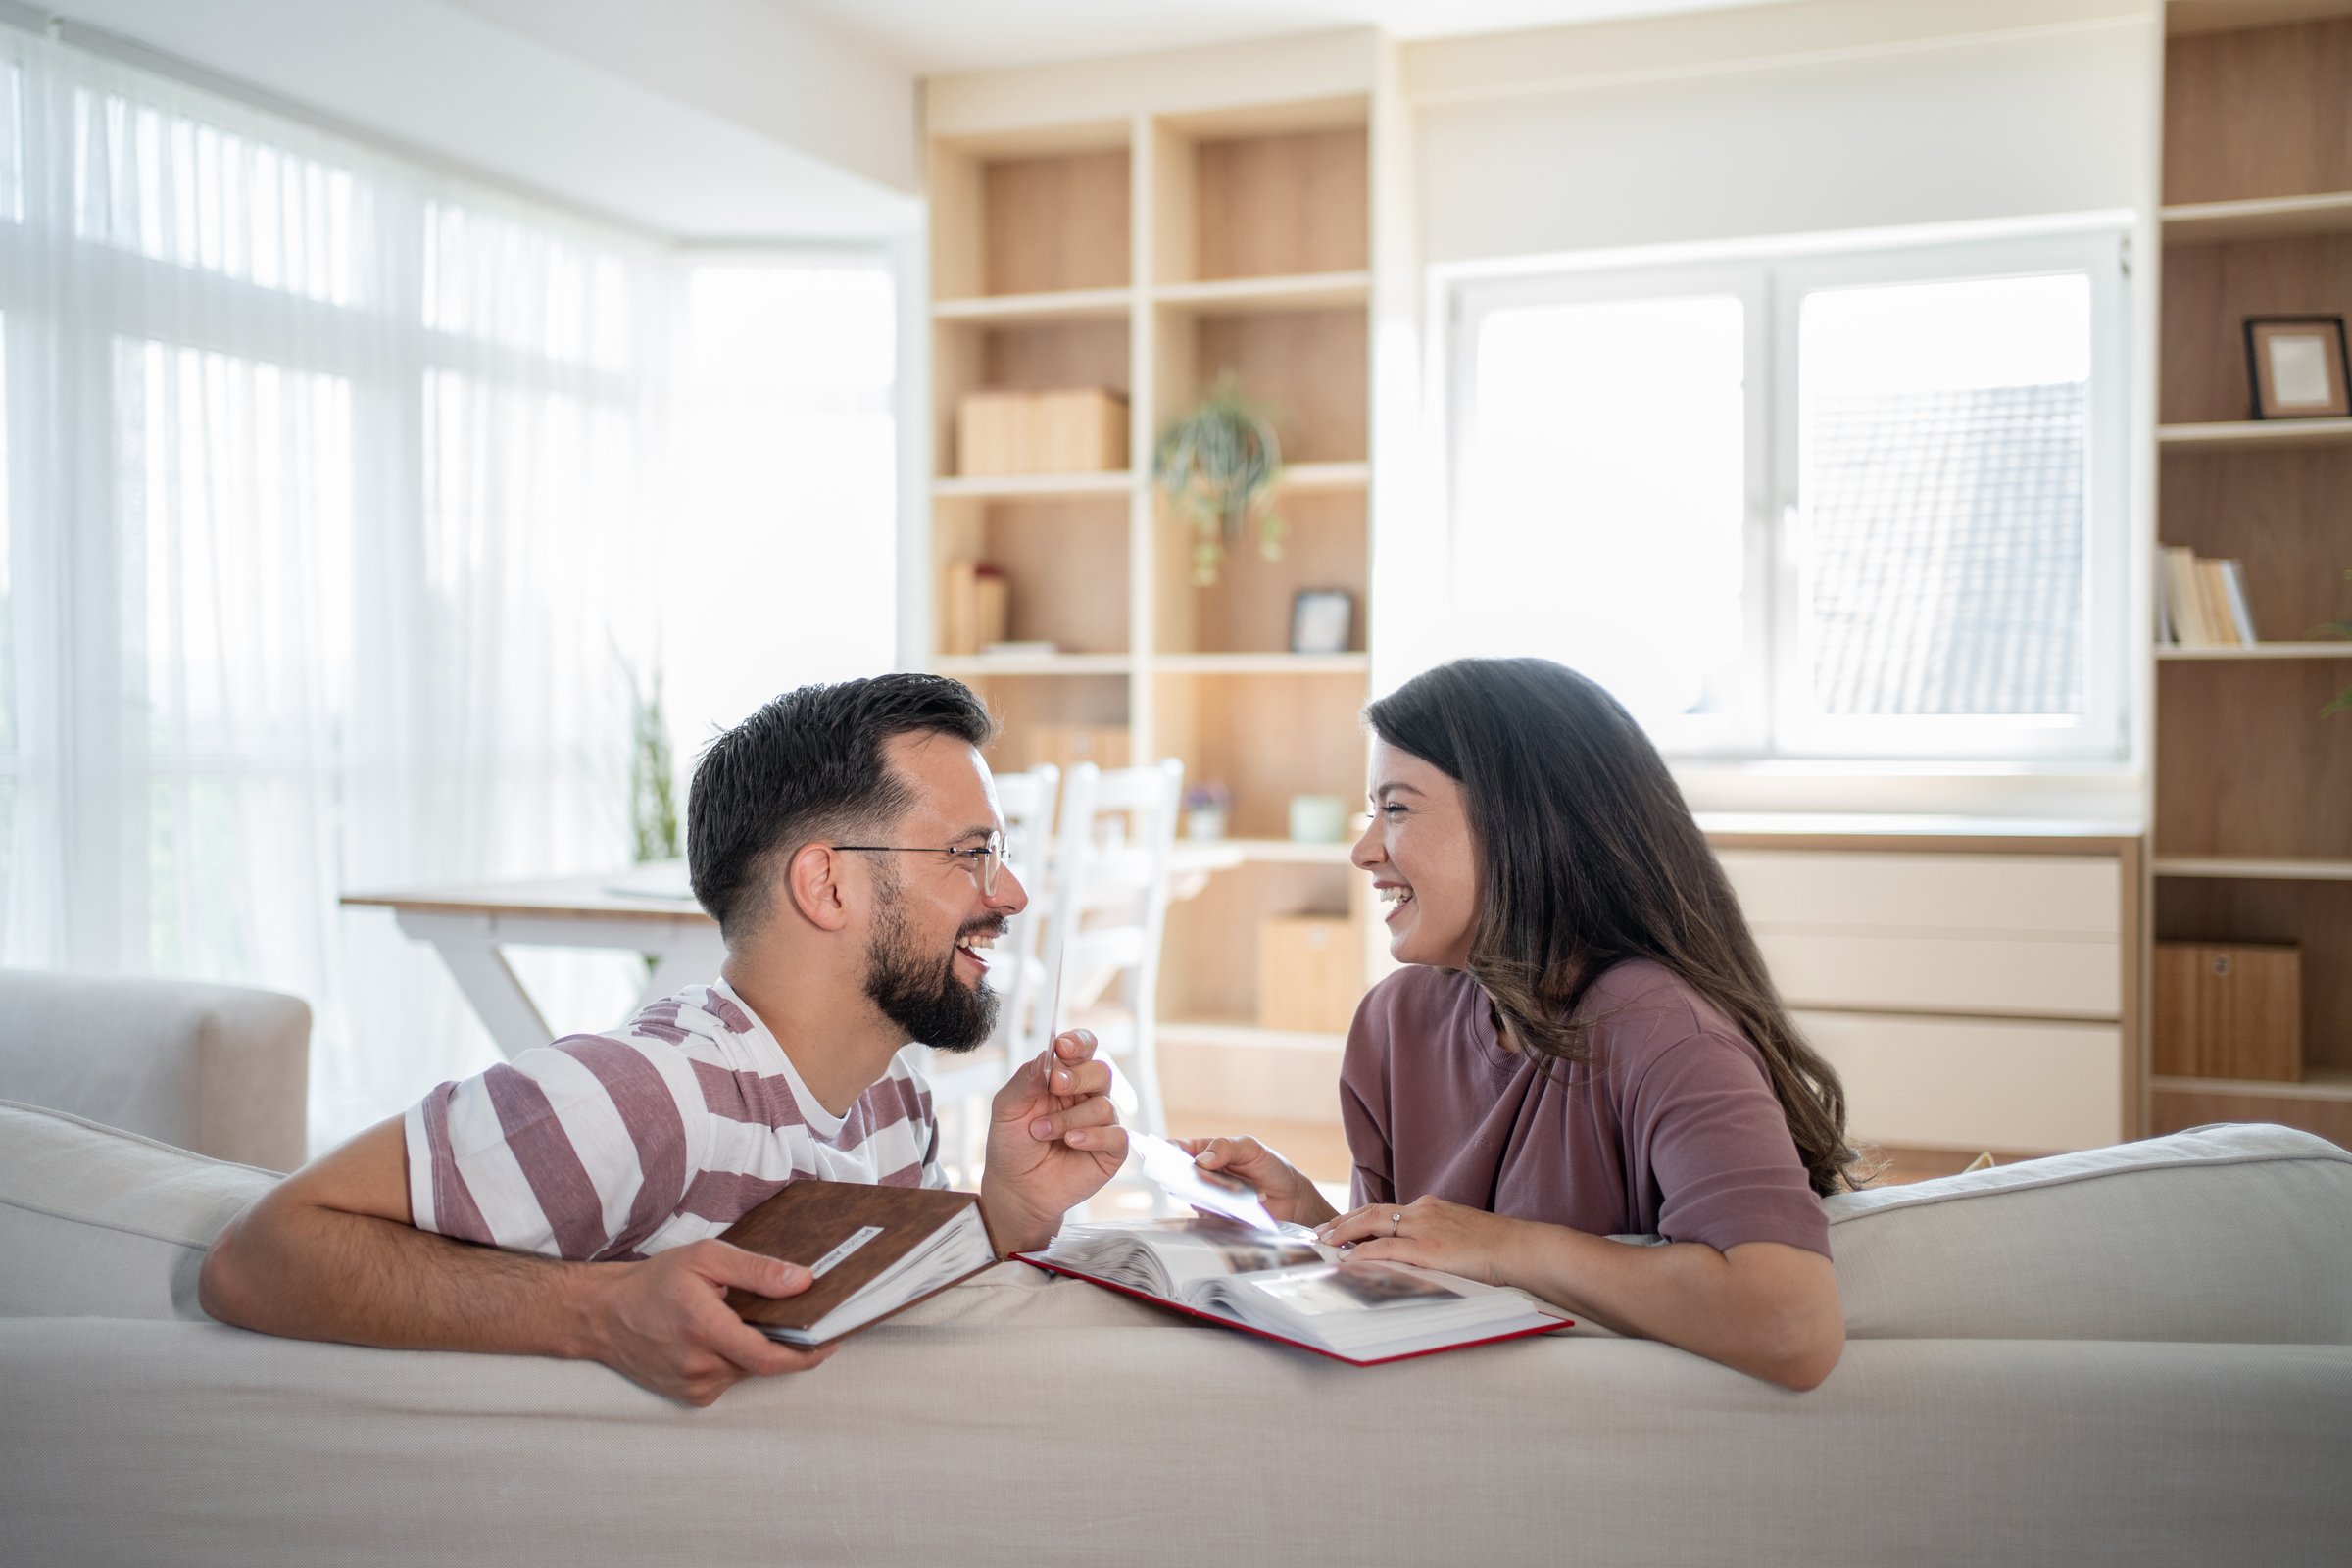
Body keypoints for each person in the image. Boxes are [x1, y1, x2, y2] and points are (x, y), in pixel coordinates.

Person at [200, 674, 1129, 1406]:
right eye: (972, 854)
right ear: (829, 886)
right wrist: (599, 1314)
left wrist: (1004, 1216)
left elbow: (862, 1334)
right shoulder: (641, 1096)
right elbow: (257, 1257)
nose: (1009, 895)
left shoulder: (893, 1103)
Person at [1184, 658, 1853, 1391]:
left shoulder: (1660, 1029)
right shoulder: (1396, 1020)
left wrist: (1509, 1248)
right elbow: (1416, 1282)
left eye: (1397, 808)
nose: (1365, 848)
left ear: (1523, 822)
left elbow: (1793, 1326)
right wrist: (1305, 1223)